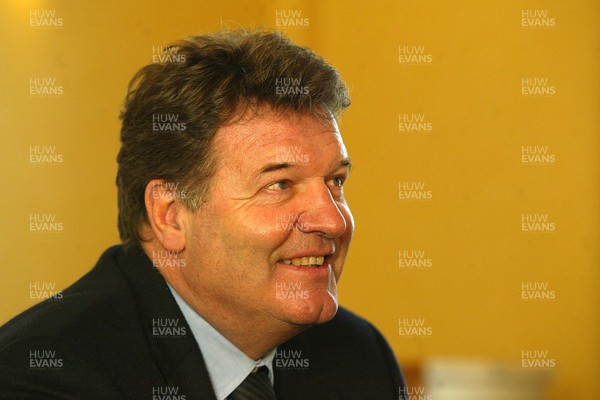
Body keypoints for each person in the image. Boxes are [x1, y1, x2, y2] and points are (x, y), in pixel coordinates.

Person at [0, 29, 406, 399]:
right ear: (171, 215)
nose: (333, 221)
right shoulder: (42, 377)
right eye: (280, 185)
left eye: (335, 181)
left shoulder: (359, 357)